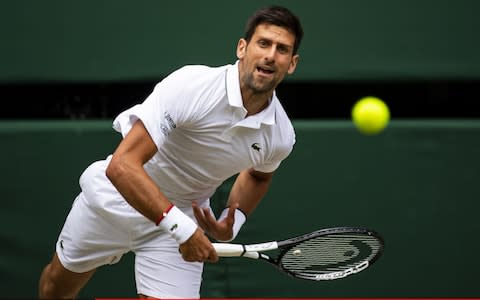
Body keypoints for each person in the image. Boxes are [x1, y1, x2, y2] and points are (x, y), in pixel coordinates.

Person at [38, 5, 303, 299]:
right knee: (55, 289)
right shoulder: (192, 85)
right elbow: (122, 167)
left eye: (282, 49)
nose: (270, 55)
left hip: (179, 220)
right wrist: (183, 231)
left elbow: (258, 176)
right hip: (115, 199)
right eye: (263, 43)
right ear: (242, 48)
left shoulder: (280, 136)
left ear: (291, 64)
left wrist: (234, 220)